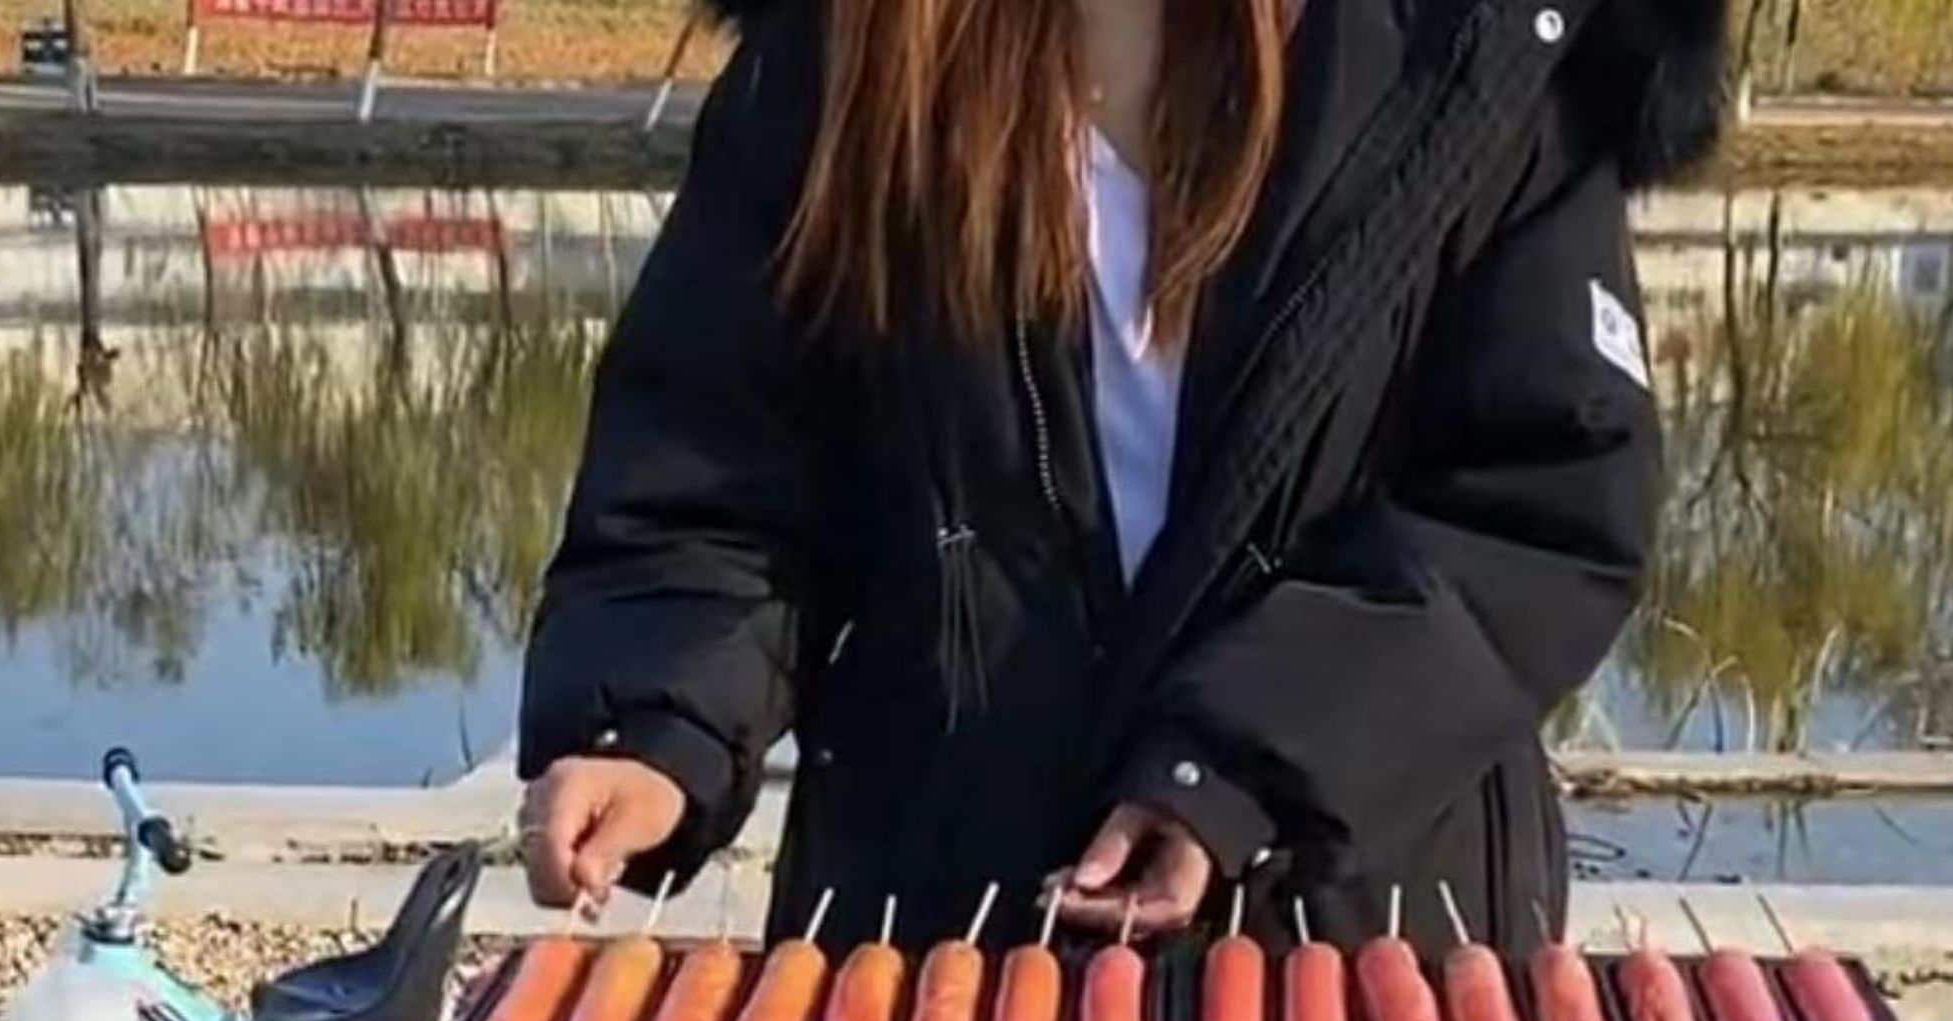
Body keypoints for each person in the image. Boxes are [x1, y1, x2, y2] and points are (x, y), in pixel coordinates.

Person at [517, 0, 1724, 958]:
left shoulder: (1485, 52)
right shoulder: (835, 55)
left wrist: (1239, 771)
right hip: (937, 940)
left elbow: (1534, 511)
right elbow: (718, 471)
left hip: (1361, 934)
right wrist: (656, 724)